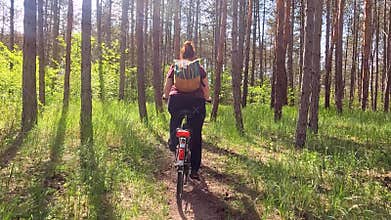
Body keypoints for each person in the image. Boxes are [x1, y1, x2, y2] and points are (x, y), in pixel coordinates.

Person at [163, 40, 211, 180]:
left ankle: (173, 143)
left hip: (177, 101)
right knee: (196, 135)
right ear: (194, 54)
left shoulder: (175, 66)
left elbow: (168, 83)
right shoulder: (199, 68)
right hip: (196, 103)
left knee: (175, 122)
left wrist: (166, 96)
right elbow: (205, 87)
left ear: (182, 54)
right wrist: (207, 98)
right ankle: (194, 170)